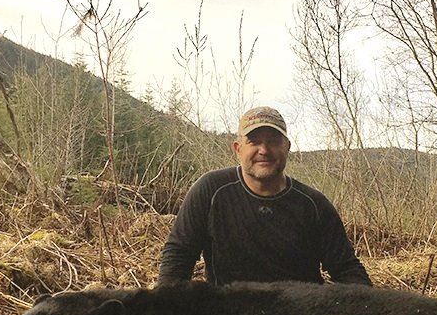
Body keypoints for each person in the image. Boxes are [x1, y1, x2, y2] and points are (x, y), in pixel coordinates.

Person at [157, 106, 372, 287]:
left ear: (287, 147)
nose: (264, 150)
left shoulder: (313, 205)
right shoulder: (211, 190)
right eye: (254, 142)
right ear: (238, 148)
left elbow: (347, 269)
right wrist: (163, 309)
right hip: (228, 314)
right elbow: (178, 256)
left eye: (273, 141)